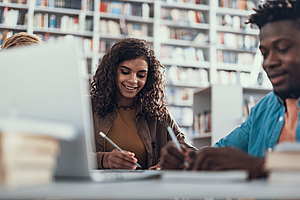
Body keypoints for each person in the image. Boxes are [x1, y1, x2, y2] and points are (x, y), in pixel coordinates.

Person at [160, 0, 300, 178]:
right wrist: (189, 159)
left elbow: (249, 164)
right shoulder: (263, 110)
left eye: (283, 48)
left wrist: (260, 166)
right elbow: (221, 153)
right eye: (264, 53)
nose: (270, 62)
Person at [90, 38, 196, 170]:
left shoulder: (157, 112)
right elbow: (63, 154)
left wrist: (167, 163)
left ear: (149, 78)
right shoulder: (88, 107)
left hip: (146, 189)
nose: (133, 80)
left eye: (141, 75)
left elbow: (188, 151)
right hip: (99, 189)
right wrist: (104, 160)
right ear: (112, 72)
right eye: (125, 72)